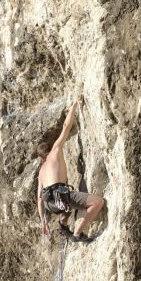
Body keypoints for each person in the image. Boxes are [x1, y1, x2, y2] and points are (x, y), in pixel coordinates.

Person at [37, 101, 104, 243]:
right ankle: (78, 233)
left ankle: (63, 224)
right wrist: (74, 106)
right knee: (98, 202)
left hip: (50, 203)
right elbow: (66, 127)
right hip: (60, 196)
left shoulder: (42, 172)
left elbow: (39, 199)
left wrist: (44, 221)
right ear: (49, 150)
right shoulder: (55, 150)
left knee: (66, 200)